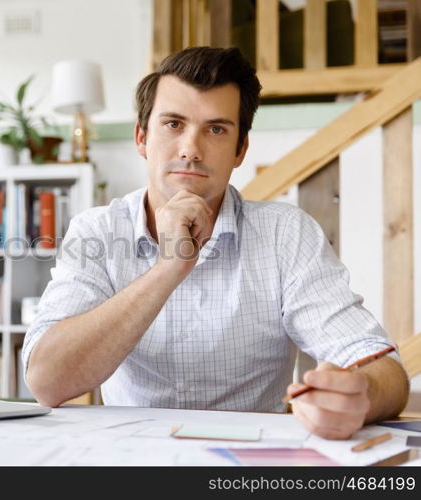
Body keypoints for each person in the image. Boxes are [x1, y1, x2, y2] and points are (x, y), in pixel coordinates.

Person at [22, 47, 409, 440]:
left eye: (216, 129)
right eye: (173, 124)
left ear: (240, 149)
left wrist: (362, 393)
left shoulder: (286, 234)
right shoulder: (97, 232)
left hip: (250, 469)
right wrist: (168, 268)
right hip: (134, 461)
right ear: (142, 137)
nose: (191, 149)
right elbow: (47, 382)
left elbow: (385, 372)